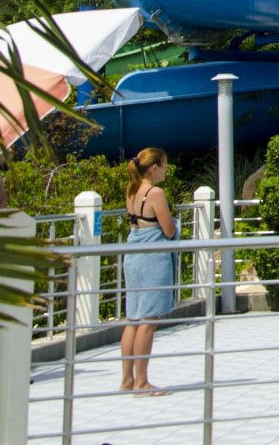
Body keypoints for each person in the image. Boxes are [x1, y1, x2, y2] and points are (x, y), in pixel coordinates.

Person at [120, 147, 177, 396]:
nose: (166, 170)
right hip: (152, 259)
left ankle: (127, 380)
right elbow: (168, 230)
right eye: (164, 165)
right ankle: (142, 382)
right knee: (148, 321)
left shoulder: (132, 190)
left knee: (133, 318)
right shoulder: (155, 193)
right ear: (154, 168)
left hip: (133, 256)